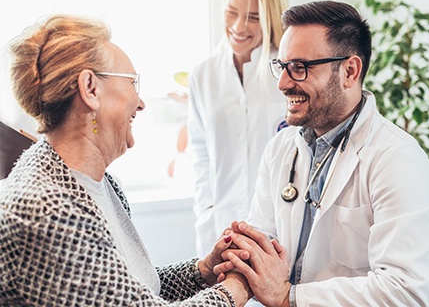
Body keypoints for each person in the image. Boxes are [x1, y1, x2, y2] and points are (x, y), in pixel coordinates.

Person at [0, 15, 251, 307]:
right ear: (90, 89)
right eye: (133, 82)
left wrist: (204, 271)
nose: (141, 102)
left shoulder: (100, 183)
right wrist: (235, 288)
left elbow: (130, 291)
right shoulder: (47, 209)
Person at [218, 0, 429, 306]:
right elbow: (262, 239)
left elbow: (405, 293)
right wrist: (241, 260)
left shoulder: (397, 160)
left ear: (349, 71)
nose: (283, 83)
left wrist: (289, 297)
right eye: (282, 67)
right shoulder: (281, 148)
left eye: (300, 68)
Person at [188, 0, 290, 258]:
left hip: (280, 230)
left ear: (271, 18)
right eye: (231, 13)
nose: (238, 26)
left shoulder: (290, 72)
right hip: (220, 225)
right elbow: (200, 157)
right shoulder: (203, 75)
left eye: (253, 17)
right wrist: (206, 213)